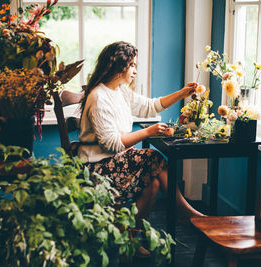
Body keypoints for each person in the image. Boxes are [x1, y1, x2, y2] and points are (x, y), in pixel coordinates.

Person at [78, 41, 203, 238]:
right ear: (119, 66)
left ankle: (130, 239)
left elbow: (150, 106)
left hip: (114, 162)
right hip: (96, 167)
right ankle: (185, 213)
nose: (135, 71)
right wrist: (147, 132)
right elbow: (111, 144)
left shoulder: (120, 91)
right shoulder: (99, 97)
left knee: (153, 184)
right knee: (154, 157)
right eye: (132, 65)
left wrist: (182, 93)